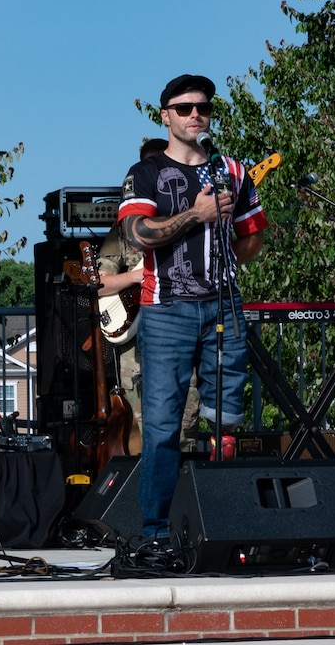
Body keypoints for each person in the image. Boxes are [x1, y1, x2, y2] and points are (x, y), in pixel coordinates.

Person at [118, 75, 268, 542]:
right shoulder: (144, 173)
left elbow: (253, 233)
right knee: (162, 426)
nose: (194, 115)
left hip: (224, 306)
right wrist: (196, 217)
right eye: (183, 109)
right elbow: (135, 235)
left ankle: (221, 523)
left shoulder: (233, 170)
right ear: (165, 115)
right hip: (166, 312)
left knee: (227, 421)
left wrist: (220, 270)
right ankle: (155, 534)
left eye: (202, 107)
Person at [97, 138, 202, 456]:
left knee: (184, 432)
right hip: (140, 351)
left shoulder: (195, 222)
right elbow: (97, 284)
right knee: (142, 440)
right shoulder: (123, 232)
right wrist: (137, 277)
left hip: (181, 336)